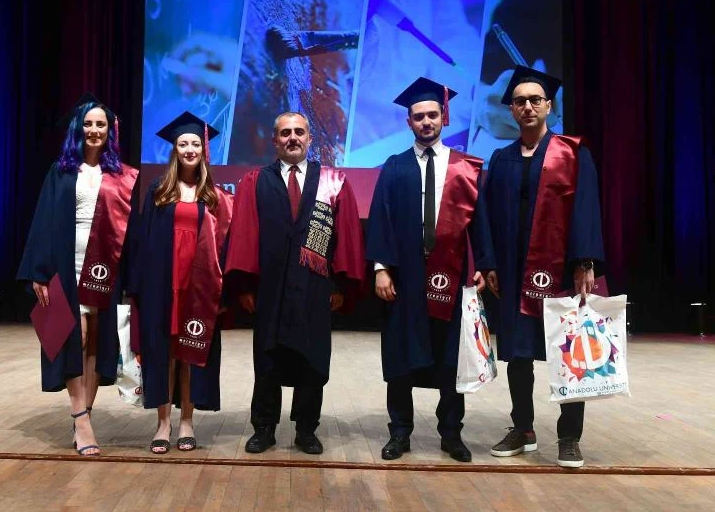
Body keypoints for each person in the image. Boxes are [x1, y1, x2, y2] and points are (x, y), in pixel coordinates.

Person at [481, 66, 605, 468]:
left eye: (536, 100)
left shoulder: (572, 153)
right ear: (511, 110)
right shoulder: (501, 159)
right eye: (520, 101)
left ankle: (569, 436)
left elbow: (585, 209)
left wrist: (584, 262)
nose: (528, 107)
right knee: (517, 354)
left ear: (549, 106)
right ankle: (524, 428)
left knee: (569, 354)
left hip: (561, 273)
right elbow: (486, 217)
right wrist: (489, 262)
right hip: (514, 272)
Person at [366, 77, 493, 463]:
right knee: (400, 355)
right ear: (409, 122)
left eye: (432, 115)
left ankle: (451, 433)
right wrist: (381, 268)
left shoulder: (465, 168)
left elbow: (481, 221)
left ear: (444, 117)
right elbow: (381, 219)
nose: (426, 122)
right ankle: (399, 432)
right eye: (418, 116)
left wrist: (484, 264)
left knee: (450, 358)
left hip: (450, 276)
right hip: (405, 277)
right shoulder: (395, 166)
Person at [225, 112, 365, 455]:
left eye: (299, 132)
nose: (293, 138)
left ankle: (306, 429)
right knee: (267, 359)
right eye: (285, 133)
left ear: (309, 138)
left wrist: (339, 286)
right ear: (275, 140)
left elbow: (346, 235)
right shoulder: (255, 181)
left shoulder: (333, 181)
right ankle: (264, 428)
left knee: (312, 359)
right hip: (270, 286)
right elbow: (244, 234)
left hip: (314, 285)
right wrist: (246, 286)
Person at [17, 92, 140, 456]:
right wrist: (39, 272)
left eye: (101, 124)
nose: (94, 130)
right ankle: (80, 417)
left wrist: (132, 277)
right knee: (73, 337)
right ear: (78, 128)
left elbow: (130, 228)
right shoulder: (61, 171)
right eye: (88, 124)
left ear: (109, 130)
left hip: (104, 267)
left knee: (96, 342)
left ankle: (84, 413)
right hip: (65, 265)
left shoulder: (119, 176)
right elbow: (42, 221)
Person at [128, 112, 233, 454]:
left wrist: (223, 292)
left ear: (204, 150)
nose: (190, 149)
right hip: (163, 283)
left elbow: (224, 246)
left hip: (198, 285)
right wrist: (137, 288)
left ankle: (187, 420)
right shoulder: (159, 191)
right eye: (183, 144)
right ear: (175, 149)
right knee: (164, 352)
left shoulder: (214, 196)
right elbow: (142, 241)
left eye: (195, 144)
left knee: (191, 351)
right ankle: (163, 423)